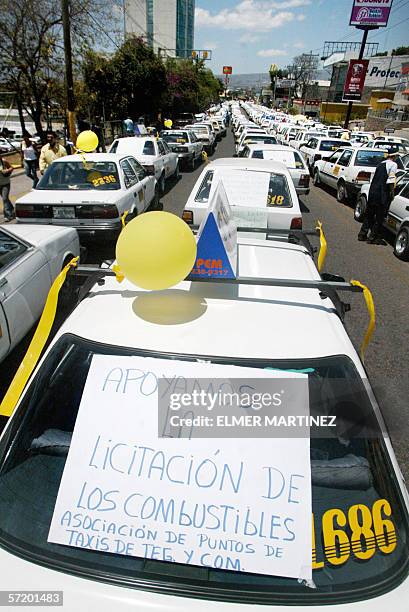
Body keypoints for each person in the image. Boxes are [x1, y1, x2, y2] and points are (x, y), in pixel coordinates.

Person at [358, 151, 399, 244]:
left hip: (373, 192)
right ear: (394, 156)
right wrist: (392, 193)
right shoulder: (393, 165)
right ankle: (372, 237)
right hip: (382, 194)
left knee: (369, 214)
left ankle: (362, 234)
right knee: (379, 217)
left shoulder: (380, 164)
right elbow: (391, 181)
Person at [0, 155, 14, 222]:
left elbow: (11, 167)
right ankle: (12, 210)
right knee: (6, 199)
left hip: (5, 183)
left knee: (5, 198)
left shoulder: (3, 161)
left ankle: (7, 215)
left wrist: (7, 170)